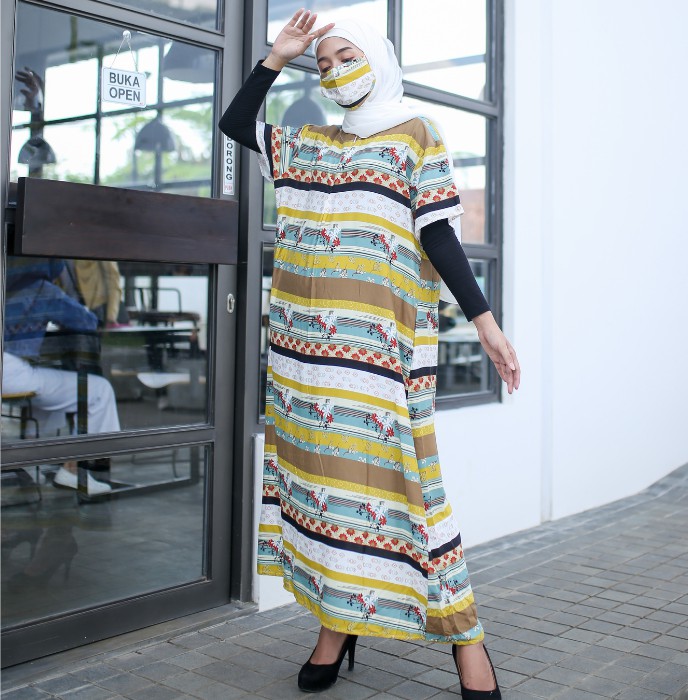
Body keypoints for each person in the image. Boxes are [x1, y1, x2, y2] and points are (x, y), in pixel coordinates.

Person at [219, 11, 520, 697]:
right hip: (304, 361)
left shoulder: (415, 135)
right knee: (327, 492)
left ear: (378, 59)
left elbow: (439, 235)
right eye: (322, 65)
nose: (332, 72)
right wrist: (278, 56)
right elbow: (236, 125)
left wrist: (485, 322)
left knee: (410, 496)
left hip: (377, 359)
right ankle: (336, 626)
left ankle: (467, 639)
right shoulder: (310, 145)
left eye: (344, 56)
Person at [3, 257, 120, 495]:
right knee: (100, 390)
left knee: (52, 388)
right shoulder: (43, 289)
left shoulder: (5, 286)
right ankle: (73, 470)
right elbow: (86, 321)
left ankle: (31, 462)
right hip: (11, 373)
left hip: (10, 373)